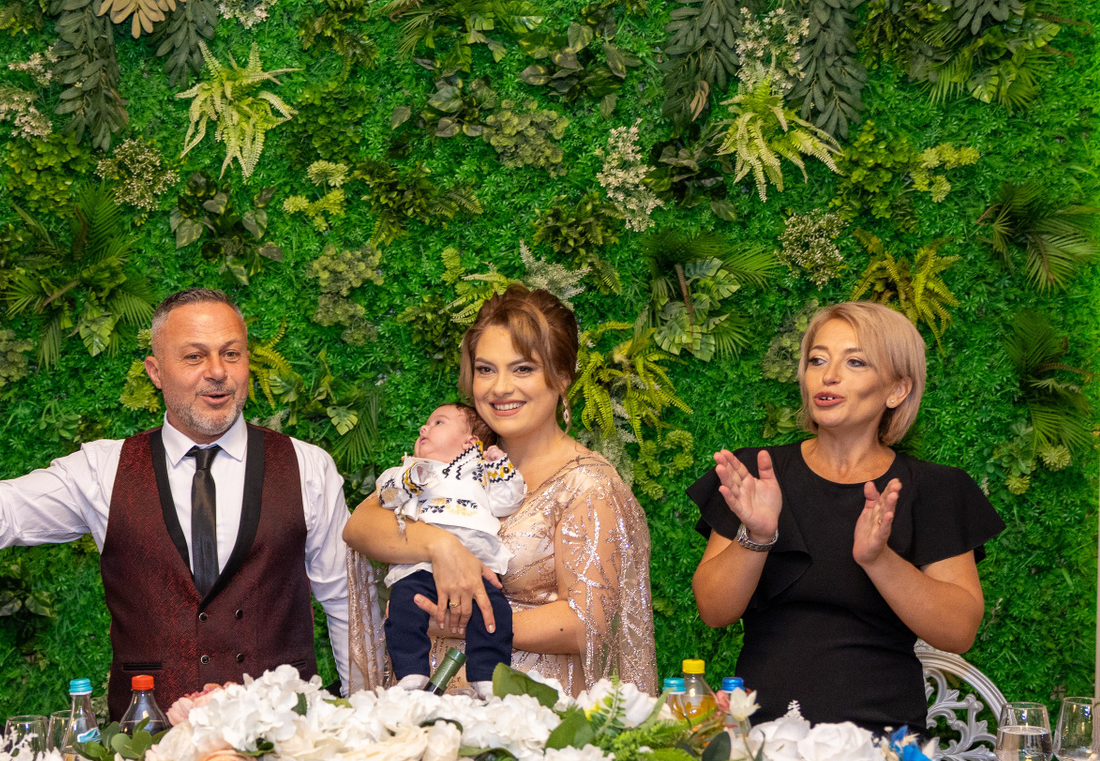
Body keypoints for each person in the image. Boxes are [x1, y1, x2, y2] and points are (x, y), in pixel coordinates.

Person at [0, 287, 351, 720]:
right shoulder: (101, 469)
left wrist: (368, 726)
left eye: (231, 354)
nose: (218, 371)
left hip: (286, 740)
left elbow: (349, 605)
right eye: (194, 356)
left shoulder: (308, 467)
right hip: (146, 744)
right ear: (156, 372)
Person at [687, 301, 1003, 730]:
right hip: (762, 739)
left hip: (883, 744)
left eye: (855, 362)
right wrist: (756, 536)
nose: (828, 375)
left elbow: (958, 631)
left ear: (897, 390)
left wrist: (879, 559)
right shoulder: (757, 474)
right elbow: (713, 610)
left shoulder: (935, 489)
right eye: (817, 360)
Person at [344, 285, 657, 695]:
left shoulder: (589, 486)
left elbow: (586, 624)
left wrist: (463, 621)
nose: (500, 388)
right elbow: (360, 525)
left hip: (530, 711)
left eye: (523, 369)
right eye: (486, 369)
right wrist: (442, 547)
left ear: (562, 377)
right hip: (428, 710)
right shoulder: (458, 459)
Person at [374, 402, 525, 690]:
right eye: (426, 424)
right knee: (404, 606)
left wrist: (499, 466)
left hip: (475, 568)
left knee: (495, 612)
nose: (424, 428)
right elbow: (387, 497)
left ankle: (487, 675)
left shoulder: (481, 473)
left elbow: (507, 502)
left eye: (438, 422)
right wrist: (411, 479)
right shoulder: (406, 470)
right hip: (419, 566)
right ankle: (410, 672)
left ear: (471, 442)